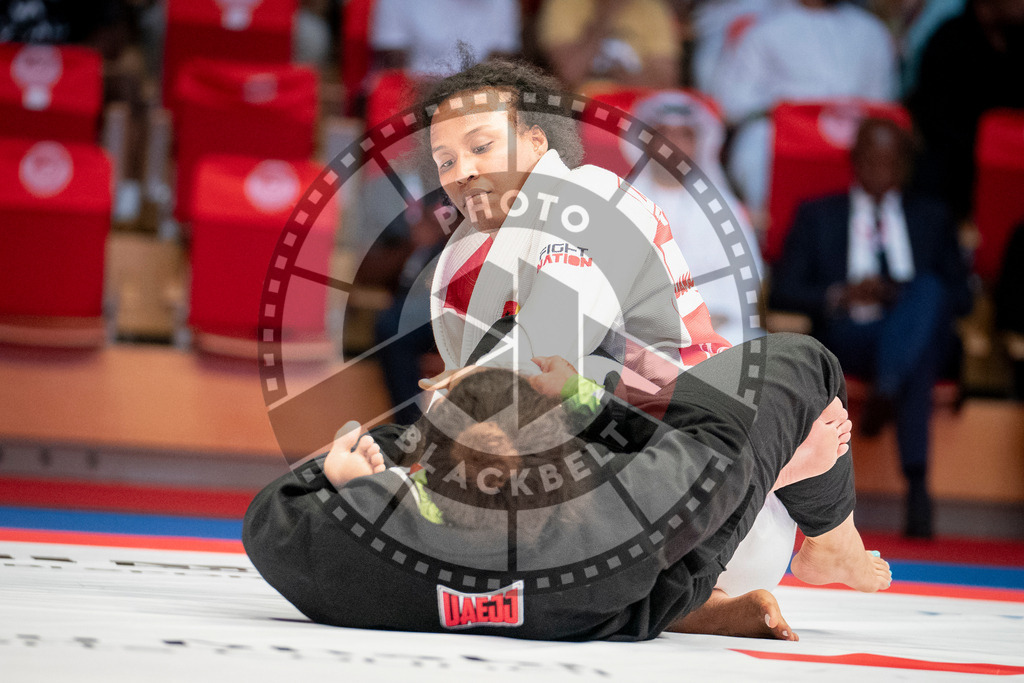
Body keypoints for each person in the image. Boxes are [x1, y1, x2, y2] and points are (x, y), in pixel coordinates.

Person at [243, 333, 891, 641]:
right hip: (664, 568)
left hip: (615, 568)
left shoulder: (348, 548)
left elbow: (270, 515)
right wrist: (590, 400)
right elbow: (711, 470)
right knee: (801, 364)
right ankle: (837, 543)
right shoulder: (601, 523)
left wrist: (363, 475)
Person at [770, 117, 972, 538]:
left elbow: (963, 296)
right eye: (872, 161)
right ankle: (916, 483)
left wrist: (906, 293)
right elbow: (784, 290)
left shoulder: (932, 218)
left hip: (919, 335)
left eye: (891, 162)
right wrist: (841, 295)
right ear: (855, 162)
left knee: (929, 292)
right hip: (851, 336)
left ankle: (890, 384)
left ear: (904, 166)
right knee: (917, 351)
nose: (882, 171)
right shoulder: (818, 215)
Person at [710, 0, 897, 213]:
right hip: (783, 139)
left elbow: (884, 104)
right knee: (755, 147)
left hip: (852, 138)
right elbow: (732, 104)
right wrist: (791, 113)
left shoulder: (871, 31)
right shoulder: (763, 26)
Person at [628, 89, 765, 346]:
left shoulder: (725, 208)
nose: (672, 144)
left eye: (684, 135)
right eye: (663, 134)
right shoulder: (619, 202)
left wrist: (699, 325)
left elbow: (745, 282)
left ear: (700, 143)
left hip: (716, 328)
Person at [908, 0, 1024, 220]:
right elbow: (936, 126)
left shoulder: (1016, 41)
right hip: (959, 175)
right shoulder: (949, 42)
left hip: (1015, 170)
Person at [536, 0, 681, 91]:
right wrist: (605, 16)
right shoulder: (562, 4)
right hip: (579, 114)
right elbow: (568, 74)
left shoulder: (652, 7)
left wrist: (619, 77)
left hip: (638, 112)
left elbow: (666, 85)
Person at [369, 0, 521, 79]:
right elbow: (392, 64)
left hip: (481, 99)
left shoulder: (504, 2)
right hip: (413, 99)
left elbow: (501, 60)